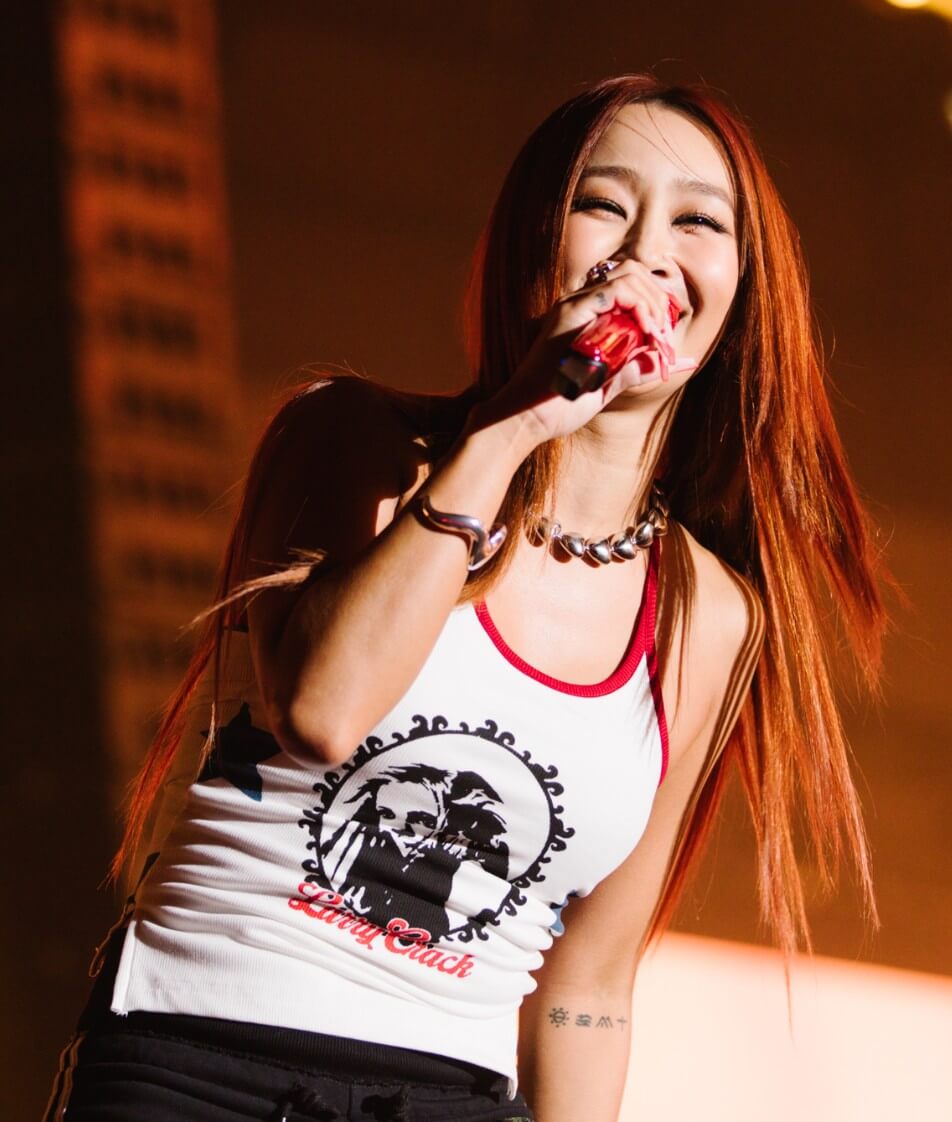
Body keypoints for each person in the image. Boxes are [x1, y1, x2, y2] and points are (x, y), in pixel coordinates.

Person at [45, 73, 889, 1122]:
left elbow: (589, 988)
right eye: (602, 204)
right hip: (195, 1058)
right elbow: (321, 710)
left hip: (449, 1095)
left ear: (744, 288)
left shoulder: (708, 617)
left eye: (697, 222)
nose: (643, 252)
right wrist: (513, 428)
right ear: (532, 241)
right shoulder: (358, 442)